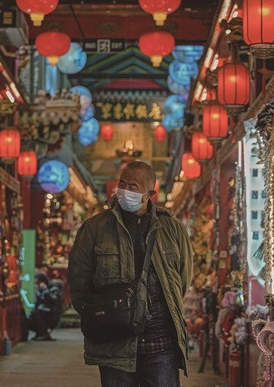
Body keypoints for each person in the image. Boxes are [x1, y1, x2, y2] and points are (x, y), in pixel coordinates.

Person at [68, 161, 194, 387]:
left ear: (150, 193)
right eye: (122, 184)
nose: (125, 191)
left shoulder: (171, 228)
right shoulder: (95, 228)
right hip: (114, 343)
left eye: (133, 187)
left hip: (161, 343)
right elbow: (79, 282)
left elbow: (182, 279)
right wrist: (103, 317)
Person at [29, 273, 61, 341]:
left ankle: (43, 334)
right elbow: (37, 302)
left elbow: (54, 300)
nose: (37, 285)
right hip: (42, 313)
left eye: (38, 283)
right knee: (31, 317)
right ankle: (40, 333)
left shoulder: (53, 288)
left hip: (52, 314)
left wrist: (46, 290)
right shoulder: (39, 290)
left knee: (36, 314)